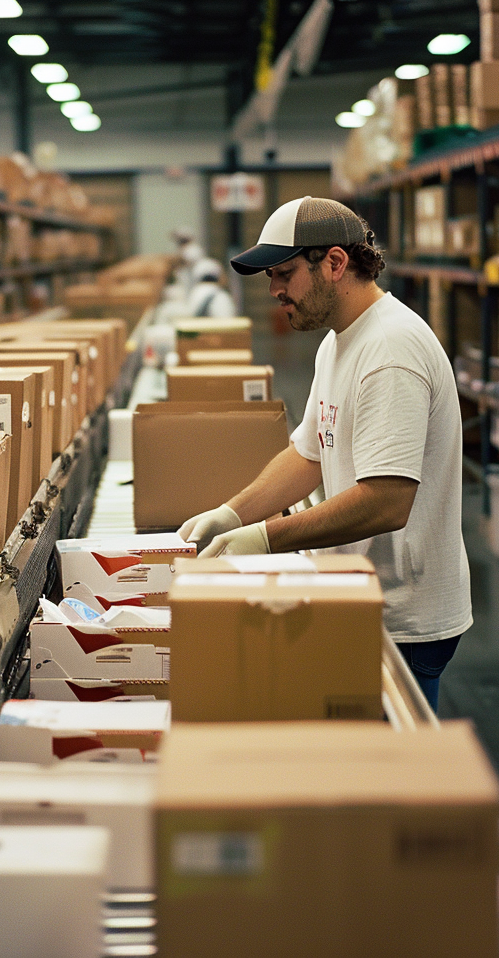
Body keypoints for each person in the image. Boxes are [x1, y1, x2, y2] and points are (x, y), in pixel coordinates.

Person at [177, 196, 471, 710]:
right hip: (360, 594)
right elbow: (307, 454)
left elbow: (386, 501)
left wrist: (265, 538)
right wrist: (230, 515)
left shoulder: (391, 350)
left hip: (402, 617)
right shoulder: (339, 342)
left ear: (335, 263)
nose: (274, 291)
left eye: (284, 274)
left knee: (382, 771)